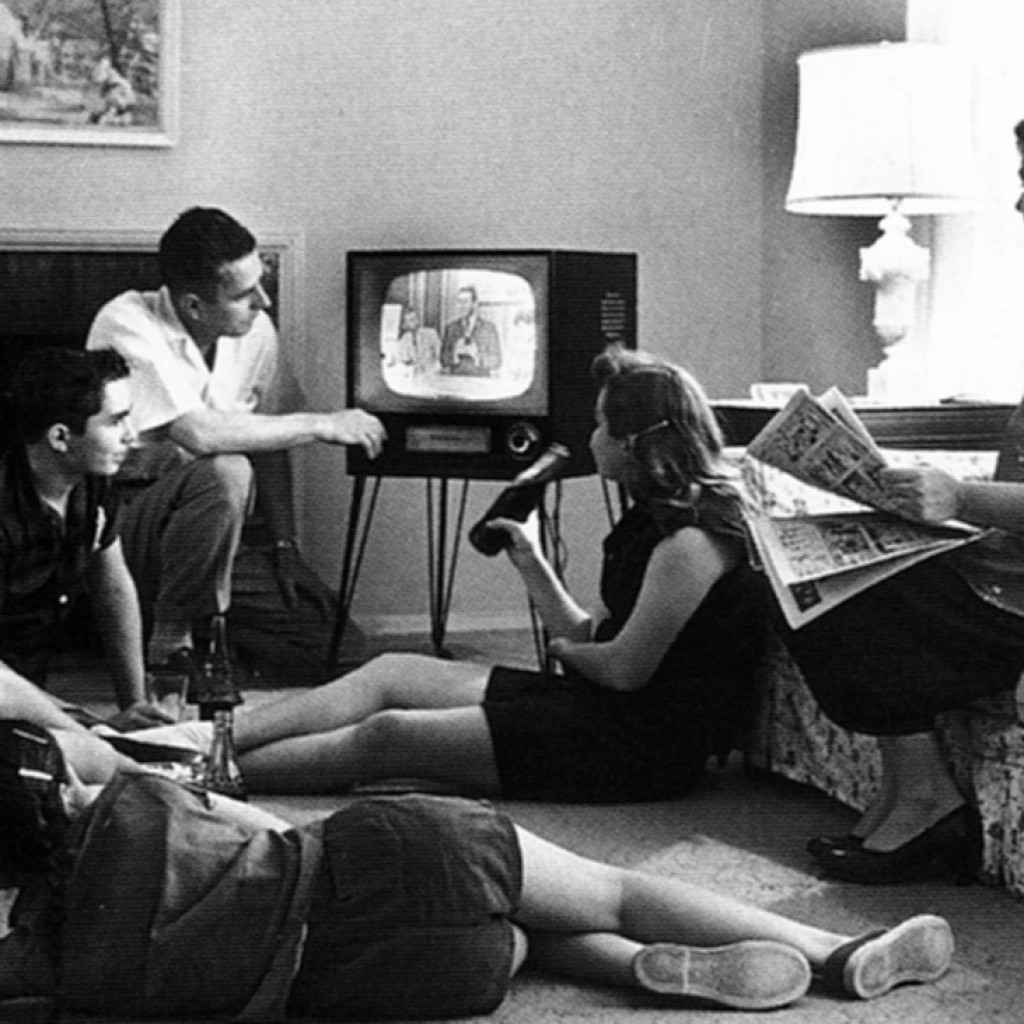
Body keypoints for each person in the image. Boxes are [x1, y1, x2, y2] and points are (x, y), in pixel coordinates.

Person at [0, 717, 955, 1018]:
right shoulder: (138, 806)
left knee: (517, 940)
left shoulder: (46, 962)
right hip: (399, 859)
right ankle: (832, 951)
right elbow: (261, 823)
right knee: (609, 884)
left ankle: (632, 971)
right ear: (64, 799)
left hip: (404, 986)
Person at [161, 346, 769, 801]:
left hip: (636, 748)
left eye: (603, 423)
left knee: (390, 735)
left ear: (636, 443)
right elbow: (598, 642)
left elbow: (621, 669)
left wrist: (560, 648)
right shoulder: (654, 522)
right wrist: (531, 563)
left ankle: (199, 778)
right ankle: (204, 740)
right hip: (601, 705)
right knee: (393, 672)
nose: (592, 436)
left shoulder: (690, 542)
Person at [777, 119, 1024, 885]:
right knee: (796, 567)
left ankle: (927, 802)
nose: (1018, 205)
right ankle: (907, 789)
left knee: (852, 594)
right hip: (998, 567)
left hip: (1014, 598)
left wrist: (962, 495)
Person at [85, 207, 386, 670]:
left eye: (260, 282)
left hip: (214, 540)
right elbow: (199, 434)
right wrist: (323, 424)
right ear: (192, 305)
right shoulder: (125, 323)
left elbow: (269, 437)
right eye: (246, 293)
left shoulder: (254, 328)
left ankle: (200, 622)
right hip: (125, 529)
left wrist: (285, 545)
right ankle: (171, 637)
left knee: (343, 651)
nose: (263, 300)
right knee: (227, 468)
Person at [0, 348, 170, 732]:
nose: (132, 435)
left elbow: (113, 587)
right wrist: (88, 726)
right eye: (116, 422)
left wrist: (135, 703)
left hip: (28, 694)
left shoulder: (91, 486)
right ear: (60, 437)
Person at [440, 284, 502, 375]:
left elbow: (497, 361)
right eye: (459, 302)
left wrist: (477, 356)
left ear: (474, 304)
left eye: (465, 302)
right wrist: (454, 355)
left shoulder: (489, 328)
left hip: (480, 383)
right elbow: (442, 359)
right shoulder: (451, 328)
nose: (461, 306)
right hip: (454, 382)